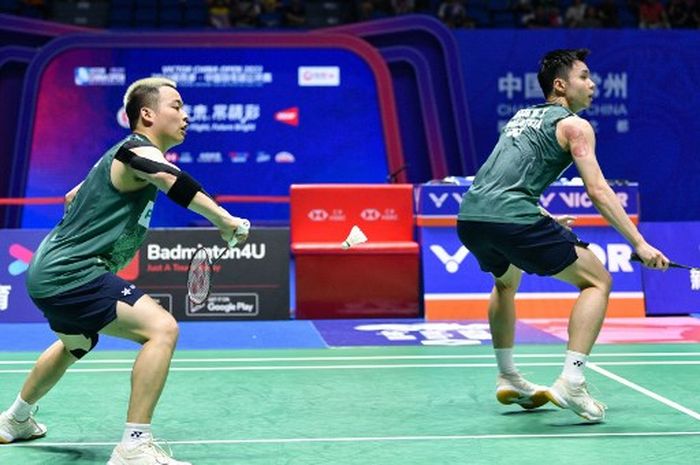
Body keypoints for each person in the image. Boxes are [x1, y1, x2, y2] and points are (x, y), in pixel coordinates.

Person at [0, 77, 249, 464]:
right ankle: (134, 445)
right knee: (162, 329)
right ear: (147, 114)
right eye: (177, 106)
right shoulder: (136, 151)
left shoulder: (119, 155)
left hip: (46, 271)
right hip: (73, 272)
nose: (186, 115)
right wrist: (223, 219)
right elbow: (173, 180)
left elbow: (72, 196)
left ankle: (15, 420)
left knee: (76, 344)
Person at [457, 49, 669, 422]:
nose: (592, 84)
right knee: (597, 280)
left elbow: (500, 181)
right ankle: (572, 381)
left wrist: (547, 218)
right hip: (512, 218)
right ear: (561, 85)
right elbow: (599, 191)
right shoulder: (575, 126)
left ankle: (508, 374)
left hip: (472, 217)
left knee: (505, 284)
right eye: (584, 77)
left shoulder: (521, 118)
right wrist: (639, 243)